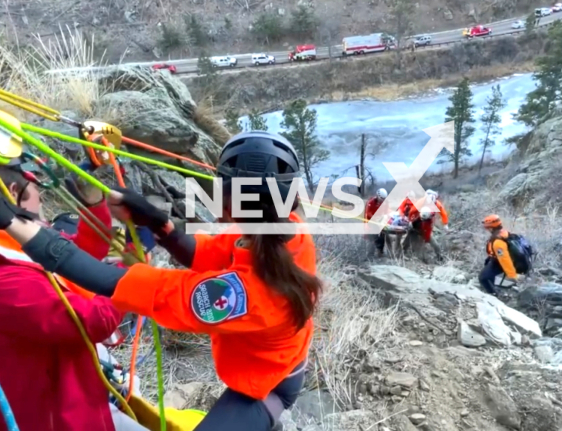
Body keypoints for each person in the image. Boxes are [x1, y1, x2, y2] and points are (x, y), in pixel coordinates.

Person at [0, 131, 322, 431]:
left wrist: (18, 226)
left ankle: (268, 420)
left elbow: (147, 289)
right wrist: (159, 223)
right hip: (274, 359)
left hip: (270, 385)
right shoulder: (279, 230)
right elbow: (207, 254)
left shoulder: (247, 295)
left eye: (220, 186)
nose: (213, 193)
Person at [0, 158, 140, 431]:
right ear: (14, 192)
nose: (41, 196)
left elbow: (79, 255)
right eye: (36, 187)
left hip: (75, 397)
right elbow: (90, 322)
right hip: (58, 415)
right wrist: (132, 278)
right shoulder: (8, 278)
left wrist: (93, 204)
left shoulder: (14, 242)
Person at [479, 214, 531, 296]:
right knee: (488, 274)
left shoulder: (497, 242)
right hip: (498, 260)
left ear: (491, 227)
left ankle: (494, 295)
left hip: (500, 262)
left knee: (483, 278)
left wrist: (512, 275)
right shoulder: (503, 232)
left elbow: (504, 259)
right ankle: (498, 288)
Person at [364, 188, 388, 257]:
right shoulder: (371, 202)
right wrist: (375, 219)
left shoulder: (384, 203)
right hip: (371, 221)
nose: (382, 200)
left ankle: (380, 251)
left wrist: (383, 218)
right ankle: (370, 253)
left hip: (380, 221)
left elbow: (385, 212)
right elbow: (368, 214)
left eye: (384, 199)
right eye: (382, 198)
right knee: (372, 236)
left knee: (382, 235)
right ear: (378, 196)